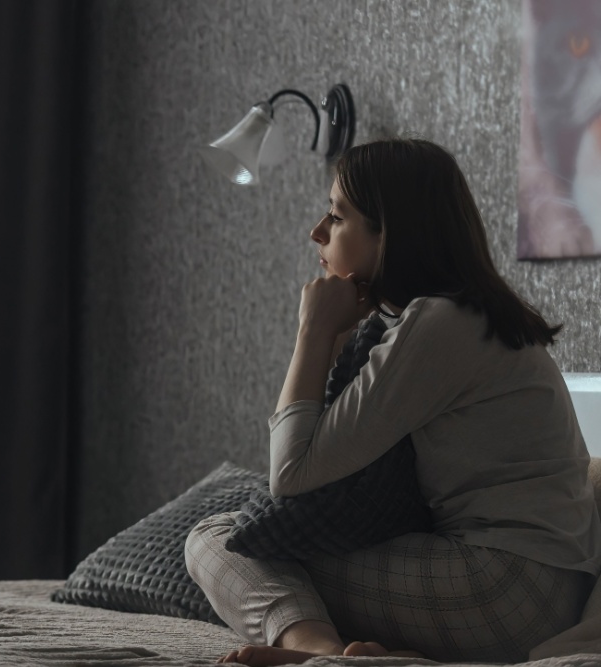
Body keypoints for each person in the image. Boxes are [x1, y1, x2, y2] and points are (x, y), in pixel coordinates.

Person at [185, 138, 601, 665]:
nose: (317, 231)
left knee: (220, 537)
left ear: (390, 236)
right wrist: (336, 339)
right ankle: (372, 654)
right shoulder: (463, 319)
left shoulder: (440, 325)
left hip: (506, 591)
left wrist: (313, 332)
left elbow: (291, 472)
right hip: (543, 589)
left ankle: (318, 652)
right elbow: (320, 472)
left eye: (337, 215)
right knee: (244, 528)